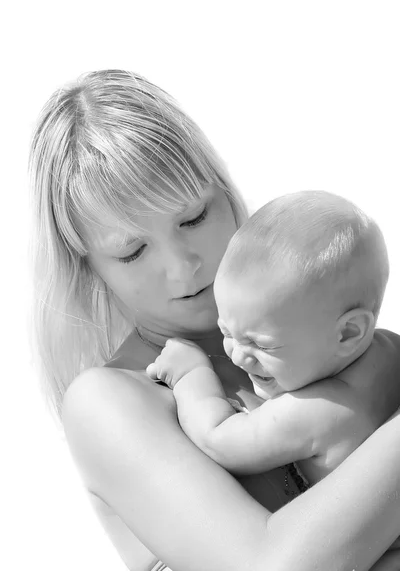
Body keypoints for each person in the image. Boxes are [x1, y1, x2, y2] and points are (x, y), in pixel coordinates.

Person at [29, 69, 400, 571]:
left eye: (194, 218)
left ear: (224, 193)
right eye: (133, 251)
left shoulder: (311, 332)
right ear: (89, 268)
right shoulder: (110, 399)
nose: (184, 266)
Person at [146, 190, 397, 486]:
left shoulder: (321, 409)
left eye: (262, 345)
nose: (237, 355)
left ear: (348, 333)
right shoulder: (390, 349)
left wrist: (191, 374)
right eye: (226, 331)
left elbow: (221, 440)